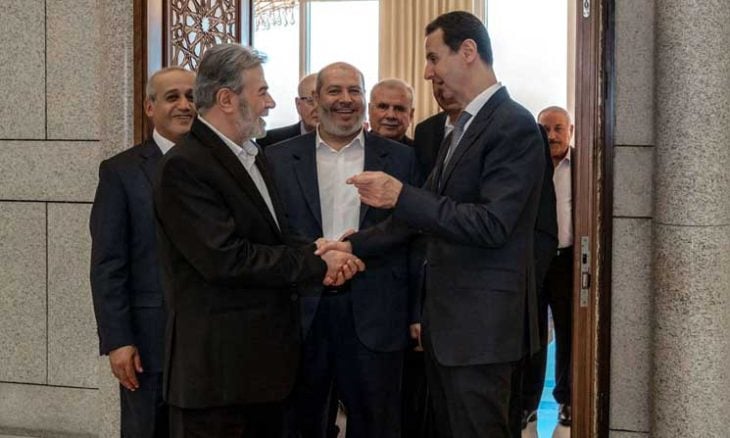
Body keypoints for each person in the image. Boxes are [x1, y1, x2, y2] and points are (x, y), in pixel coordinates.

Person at [340, 11, 545, 437]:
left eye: (434, 58)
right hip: (450, 331)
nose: (428, 71)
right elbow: (418, 218)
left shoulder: (513, 125)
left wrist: (400, 194)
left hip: (481, 334)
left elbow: (492, 224)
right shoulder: (461, 128)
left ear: (467, 51)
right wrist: (351, 246)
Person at [153, 44, 364, 437]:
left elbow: (274, 234)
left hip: (261, 375)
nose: (270, 103)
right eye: (262, 91)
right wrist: (318, 264)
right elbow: (226, 259)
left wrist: (320, 248)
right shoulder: (186, 166)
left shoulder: (251, 155)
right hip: (219, 380)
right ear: (227, 99)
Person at [266, 62, 419, 438]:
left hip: (376, 312)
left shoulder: (401, 159)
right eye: (334, 90)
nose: (345, 99)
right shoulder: (277, 158)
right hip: (302, 312)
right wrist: (316, 254)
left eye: (355, 90)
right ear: (315, 100)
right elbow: (272, 228)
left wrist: (355, 248)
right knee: (299, 425)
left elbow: (410, 228)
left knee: (378, 425)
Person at [89, 66, 195, 438]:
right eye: (172, 97)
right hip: (149, 342)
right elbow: (108, 264)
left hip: (211, 342)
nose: (184, 105)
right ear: (150, 108)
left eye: (192, 97)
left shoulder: (222, 166)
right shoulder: (121, 172)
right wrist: (118, 340)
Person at [521, 106, 574, 433]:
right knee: (534, 334)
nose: (551, 136)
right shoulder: (527, 166)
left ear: (570, 131)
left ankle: (566, 401)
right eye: (545, 129)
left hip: (568, 261)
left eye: (558, 128)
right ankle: (528, 405)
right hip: (534, 261)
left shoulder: (581, 167)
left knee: (568, 332)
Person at [412, 80, 463, 176]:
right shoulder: (424, 130)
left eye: (452, 82)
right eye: (439, 83)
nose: (447, 94)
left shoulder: (489, 125)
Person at [258, 73, 318, 147]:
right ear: (298, 104)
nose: (318, 108)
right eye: (310, 101)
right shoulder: (270, 141)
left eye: (323, 102)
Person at [368, 78, 415, 146]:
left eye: (399, 109)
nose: (390, 115)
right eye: (383, 107)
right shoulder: (354, 148)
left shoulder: (421, 151)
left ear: (411, 115)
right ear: (369, 110)